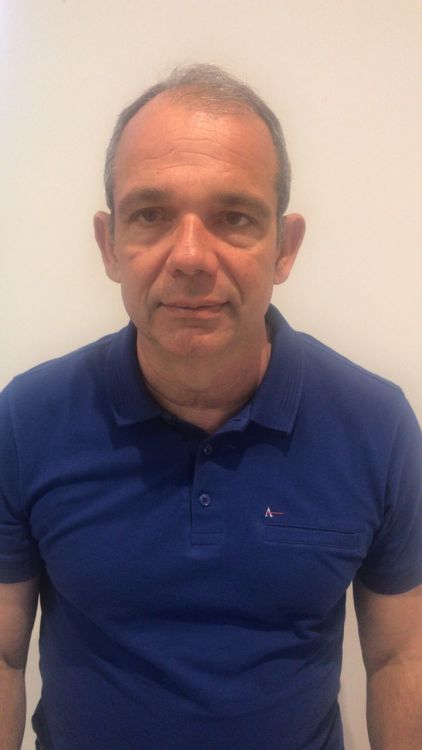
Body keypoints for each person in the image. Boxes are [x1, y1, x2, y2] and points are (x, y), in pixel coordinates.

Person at [0, 64, 421, 750]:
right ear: (110, 245)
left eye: (233, 218)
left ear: (284, 247)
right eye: (151, 215)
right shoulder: (26, 420)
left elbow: (402, 656)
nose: (191, 256)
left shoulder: (377, 426)